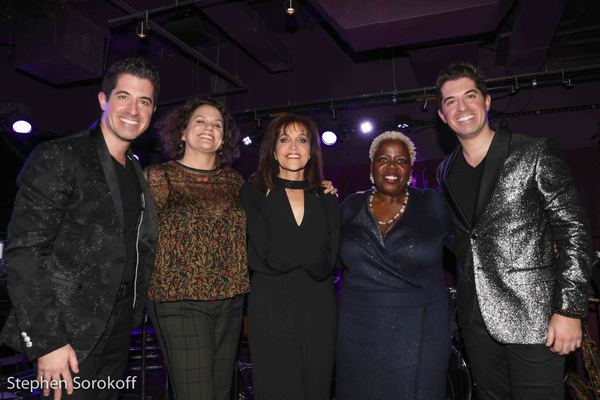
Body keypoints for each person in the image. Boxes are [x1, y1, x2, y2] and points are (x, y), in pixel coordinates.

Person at [0, 57, 160, 400]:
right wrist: (48, 341)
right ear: (103, 100)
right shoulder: (61, 156)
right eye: (123, 97)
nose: (133, 109)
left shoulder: (135, 169)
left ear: (152, 111)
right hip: (68, 332)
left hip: (118, 326)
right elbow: (23, 254)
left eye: (144, 101)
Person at [436, 62, 592, 399]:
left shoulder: (533, 151)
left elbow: (574, 230)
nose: (461, 107)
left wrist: (569, 309)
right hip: (476, 322)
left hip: (534, 317)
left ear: (487, 102)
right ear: (442, 115)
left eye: (470, 96)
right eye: (451, 102)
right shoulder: (445, 171)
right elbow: (465, 237)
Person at [144, 98, 249, 400]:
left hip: (230, 300)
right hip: (178, 299)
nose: (209, 128)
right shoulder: (157, 176)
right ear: (182, 132)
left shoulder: (234, 181)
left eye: (217, 124)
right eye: (200, 121)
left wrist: (314, 188)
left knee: (220, 393)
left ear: (223, 139)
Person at [335, 131, 452, 400]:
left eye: (401, 160)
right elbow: (320, 253)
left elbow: (472, 243)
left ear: (410, 168)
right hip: (358, 328)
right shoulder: (348, 207)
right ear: (372, 166)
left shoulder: (433, 204)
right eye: (383, 159)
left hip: (420, 330)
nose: (391, 167)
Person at [240, 113, 340, 400]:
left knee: (317, 385)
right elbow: (269, 255)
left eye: (302, 140)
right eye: (284, 139)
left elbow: (327, 261)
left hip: (319, 306)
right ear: (273, 150)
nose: (293, 146)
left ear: (311, 151)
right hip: (270, 304)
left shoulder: (327, 197)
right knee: (276, 387)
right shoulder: (254, 194)